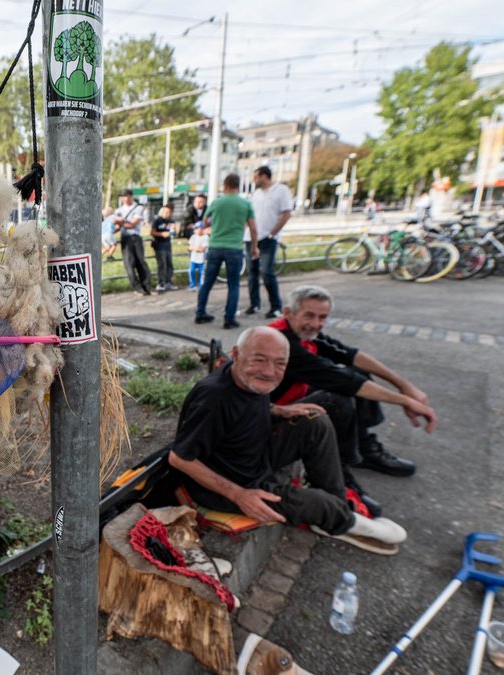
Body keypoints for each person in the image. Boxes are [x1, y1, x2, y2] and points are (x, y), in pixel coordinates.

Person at [167, 326, 408, 554]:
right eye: (259, 359)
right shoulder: (213, 399)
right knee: (319, 504)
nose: (270, 371)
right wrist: (238, 494)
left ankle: (337, 511)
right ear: (236, 354)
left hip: (255, 456)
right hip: (229, 485)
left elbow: (244, 406)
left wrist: (277, 410)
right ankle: (339, 518)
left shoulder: (245, 378)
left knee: (316, 421)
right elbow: (179, 458)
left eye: (280, 363)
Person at [268, 286, 439, 515]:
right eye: (309, 315)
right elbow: (342, 380)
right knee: (339, 398)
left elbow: (350, 355)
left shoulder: (302, 332)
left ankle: (365, 449)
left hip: (290, 401)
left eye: (323, 317)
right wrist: (404, 401)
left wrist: (404, 385)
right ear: (288, 313)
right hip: (270, 418)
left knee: (358, 374)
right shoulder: (281, 342)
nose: (316, 324)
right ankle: (340, 474)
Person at [195, 174, 258, 329]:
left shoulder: (216, 203)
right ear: (238, 185)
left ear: (225, 185)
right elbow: (253, 228)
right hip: (234, 248)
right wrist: (255, 246)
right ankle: (229, 318)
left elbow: (205, 222)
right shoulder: (245, 204)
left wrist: (217, 224)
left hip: (215, 246)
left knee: (208, 282)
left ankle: (200, 313)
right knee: (233, 284)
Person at [245, 167, 293, 319]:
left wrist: (273, 233)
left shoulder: (281, 190)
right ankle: (254, 304)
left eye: (256, 177)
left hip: (268, 238)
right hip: (251, 238)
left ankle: (275, 306)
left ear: (264, 176)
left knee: (267, 272)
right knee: (252, 273)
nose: (254, 181)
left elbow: (286, 214)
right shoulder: (256, 194)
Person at [113, 189, 152, 296]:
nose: (124, 198)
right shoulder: (118, 210)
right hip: (125, 238)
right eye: (122, 196)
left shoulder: (138, 208)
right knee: (129, 263)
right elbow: (115, 227)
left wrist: (120, 222)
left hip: (135, 237)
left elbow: (133, 224)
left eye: (126, 196)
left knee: (141, 262)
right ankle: (137, 288)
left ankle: (147, 286)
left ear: (131, 196)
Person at [150, 203, 177, 291]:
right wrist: (162, 234)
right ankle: (160, 283)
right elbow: (152, 232)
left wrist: (174, 230)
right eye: (165, 212)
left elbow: (174, 233)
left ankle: (168, 281)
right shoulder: (157, 220)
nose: (166, 213)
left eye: (168, 212)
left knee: (169, 264)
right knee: (162, 264)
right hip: (159, 244)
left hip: (168, 244)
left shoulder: (171, 221)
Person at [187, 222, 209, 291]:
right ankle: (192, 284)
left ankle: (201, 285)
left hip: (201, 259)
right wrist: (196, 248)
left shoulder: (206, 237)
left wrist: (195, 248)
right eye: (197, 228)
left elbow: (202, 248)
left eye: (200, 228)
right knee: (191, 271)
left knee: (201, 272)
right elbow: (189, 247)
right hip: (193, 258)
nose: (198, 230)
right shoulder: (193, 236)